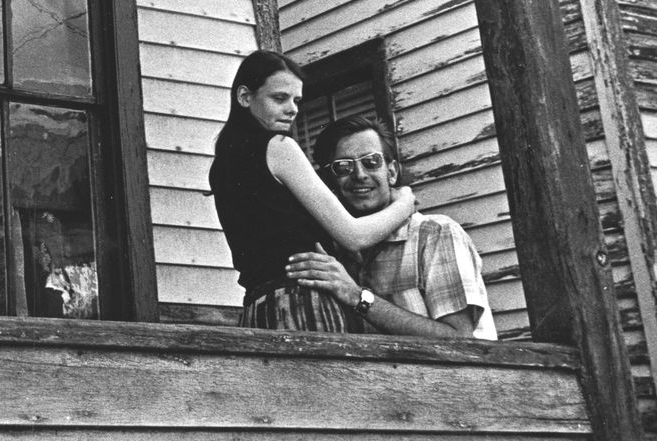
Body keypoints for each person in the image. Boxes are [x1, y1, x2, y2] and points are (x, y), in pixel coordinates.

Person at [210, 50, 416, 331]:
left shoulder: (222, 164)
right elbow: (354, 235)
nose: (293, 109)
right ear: (245, 97)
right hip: (303, 305)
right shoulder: (279, 147)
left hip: (259, 311)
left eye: (297, 100)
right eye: (279, 98)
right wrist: (405, 201)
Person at [286, 115, 496, 340]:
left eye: (371, 162)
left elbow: (459, 339)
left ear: (392, 172)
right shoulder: (336, 250)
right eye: (344, 167)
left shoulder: (435, 233)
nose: (359, 175)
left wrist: (357, 296)